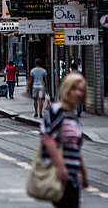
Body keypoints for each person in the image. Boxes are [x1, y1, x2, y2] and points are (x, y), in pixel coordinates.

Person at [39, 72, 90, 208]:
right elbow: (47, 138)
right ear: (66, 89)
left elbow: (75, 147)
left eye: (81, 90)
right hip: (59, 175)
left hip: (72, 177)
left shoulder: (72, 115)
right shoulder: (57, 110)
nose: (78, 93)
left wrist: (83, 173)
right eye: (74, 89)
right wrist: (61, 167)